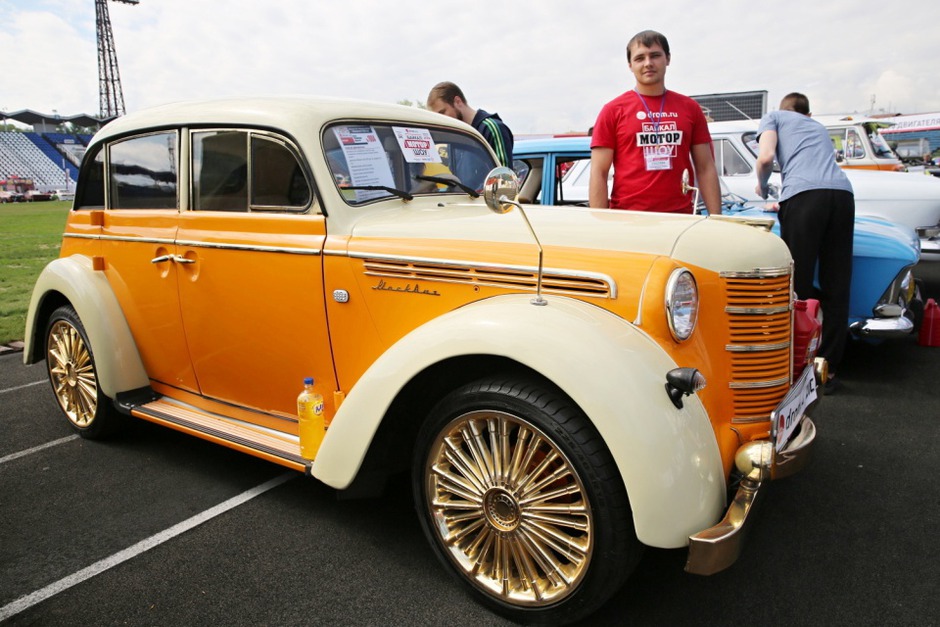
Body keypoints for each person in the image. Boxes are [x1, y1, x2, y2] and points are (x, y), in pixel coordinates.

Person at [755, 92, 855, 393]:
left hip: (803, 196)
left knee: (797, 282)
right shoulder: (818, 128)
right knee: (837, 282)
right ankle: (830, 368)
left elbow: (766, 157)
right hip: (842, 195)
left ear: (783, 109)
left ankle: (796, 364)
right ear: (808, 114)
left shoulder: (773, 116)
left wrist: (762, 186)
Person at [589, 30, 720, 214]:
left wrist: (716, 218)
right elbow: (598, 173)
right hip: (628, 219)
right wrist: (598, 226)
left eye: (655, 56)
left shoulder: (690, 108)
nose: (648, 63)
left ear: (668, 59)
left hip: (680, 220)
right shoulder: (613, 110)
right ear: (630, 65)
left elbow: (706, 168)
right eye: (640, 58)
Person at [426, 82, 513, 168]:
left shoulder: (491, 129)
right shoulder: (455, 137)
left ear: (458, 102)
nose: (441, 119)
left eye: (442, 113)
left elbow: (504, 176)